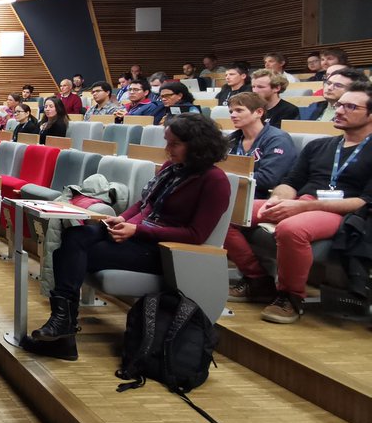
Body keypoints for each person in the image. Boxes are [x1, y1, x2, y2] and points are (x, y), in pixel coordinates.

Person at [22, 115, 230, 360]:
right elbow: (145, 204)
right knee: (75, 235)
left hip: (164, 252)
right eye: (167, 142)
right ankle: (63, 327)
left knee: (76, 251)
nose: (167, 150)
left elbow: (196, 235)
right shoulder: (171, 169)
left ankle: (64, 333)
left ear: (196, 145)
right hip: (139, 234)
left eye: (174, 144)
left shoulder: (215, 181)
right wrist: (124, 220)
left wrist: (137, 230)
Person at [225, 83, 372, 324]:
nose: (339, 110)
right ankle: (257, 279)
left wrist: (303, 207)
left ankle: (290, 297)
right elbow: (290, 182)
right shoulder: (320, 146)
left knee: (291, 229)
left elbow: (363, 201)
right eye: (338, 105)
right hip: (301, 202)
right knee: (227, 211)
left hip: (340, 211)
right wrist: (278, 199)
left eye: (350, 106)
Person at [222, 93, 298, 305]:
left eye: (239, 110)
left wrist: (228, 178)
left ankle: (256, 277)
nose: (233, 115)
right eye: (231, 111)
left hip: (269, 197)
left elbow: (268, 178)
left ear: (258, 112)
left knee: (221, 217)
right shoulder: (232, 139)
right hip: (237, 194)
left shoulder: (277, 138)